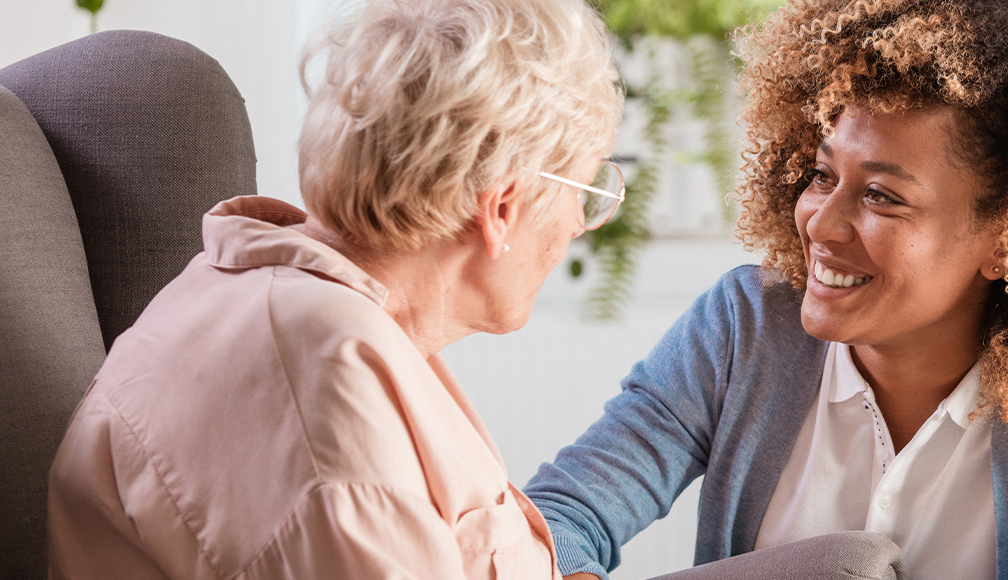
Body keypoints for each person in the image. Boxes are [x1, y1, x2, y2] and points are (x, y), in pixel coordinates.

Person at [524, 0, 1008, 578]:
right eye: (822, 175)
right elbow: (556, 519)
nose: (820, 221)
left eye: (881, 195)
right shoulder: (743, 330)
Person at [45, 0, 623, 577]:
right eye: (584, 188)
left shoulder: (290, 301)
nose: (579, 222)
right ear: (502, 207)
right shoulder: (328, 394)